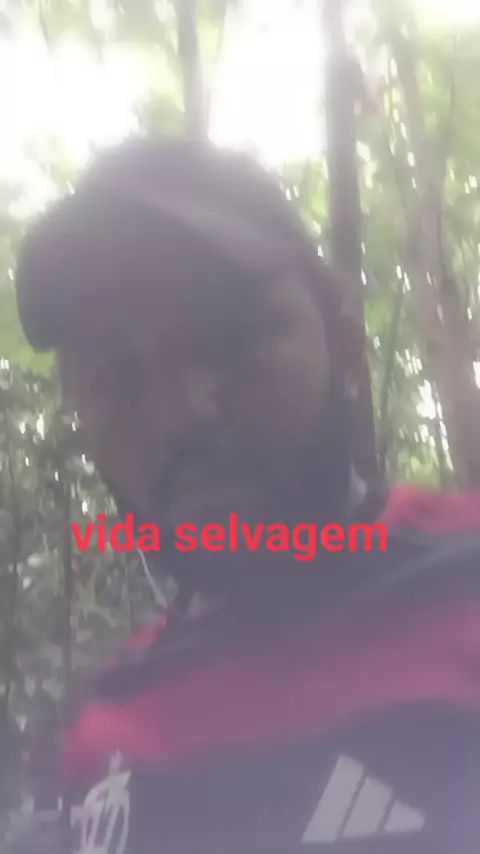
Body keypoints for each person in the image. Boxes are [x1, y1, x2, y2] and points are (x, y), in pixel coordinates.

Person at [15, 135, 480, 854]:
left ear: (347, 350)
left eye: (230, 341)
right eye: (118, 377)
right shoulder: (110, 725)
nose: (180, 412)